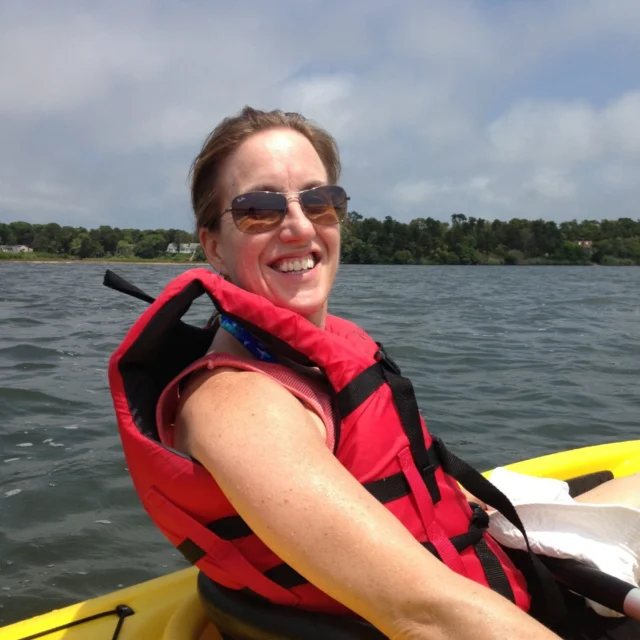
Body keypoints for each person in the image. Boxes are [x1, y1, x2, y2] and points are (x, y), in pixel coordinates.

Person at [109, 107, 640, 640]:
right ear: (213, 245)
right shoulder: (242, 406)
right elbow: (429, 617)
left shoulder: (312, 354)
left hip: (497, 562)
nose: (298, 226)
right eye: (258, 210)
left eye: (320, 202)